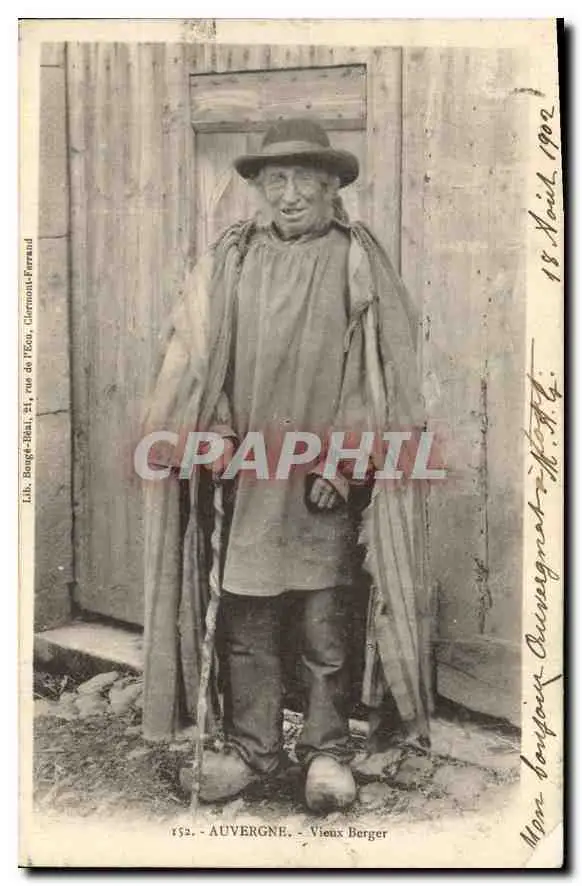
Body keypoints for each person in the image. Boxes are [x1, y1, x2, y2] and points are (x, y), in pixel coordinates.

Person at [141, 118, 430, 813]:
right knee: (248, 620)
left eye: (305, 180)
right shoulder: (235, 259)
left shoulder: (355, 259)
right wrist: (214, 437)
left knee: (324, 623)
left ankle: (326, 753)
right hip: (249, 475)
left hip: (321, 478)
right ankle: (253, 750)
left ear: (331, 187)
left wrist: (345, 462)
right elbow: (203, 359)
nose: (290, 194)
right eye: (277, 180)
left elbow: (380, 372)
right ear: (261, 189)